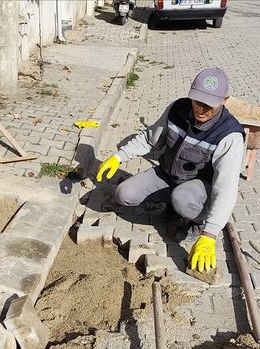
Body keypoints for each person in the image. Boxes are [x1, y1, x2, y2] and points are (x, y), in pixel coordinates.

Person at [95, 67, 246, 272]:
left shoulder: (229, 135)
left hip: (199, 188)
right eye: (197, 101)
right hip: (168, 175)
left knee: (182, 198)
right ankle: (173, 207)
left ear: (224, 100)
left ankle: (198, 222)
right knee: (124, 194)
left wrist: (209, 235)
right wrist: (119, 156)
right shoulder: (177, 109)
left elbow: (226, 189)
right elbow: (150, 139)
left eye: (208, 105)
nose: (201, 109)